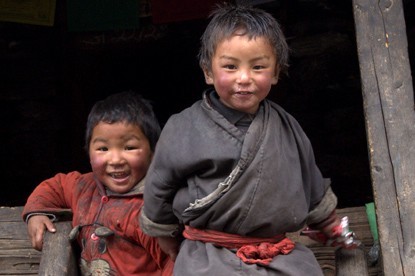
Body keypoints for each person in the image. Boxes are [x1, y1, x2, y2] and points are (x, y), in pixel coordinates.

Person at [139, 3, 360, 275]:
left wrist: (329, 223)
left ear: (276, 72)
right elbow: (159, 185)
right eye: (230, 67)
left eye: (258, 67)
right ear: (208, 71)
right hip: (209, 255)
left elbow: (310, 179)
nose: (244, 78)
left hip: (278, 254)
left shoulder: (287, 127)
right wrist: (163, 233)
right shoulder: (183, 128)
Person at [23, 91, 173, 275]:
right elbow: (56, 186)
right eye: (103, 148)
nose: (116, 159)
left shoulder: (152, 210)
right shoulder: (84, 187)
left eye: (129, 147)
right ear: (88, 151)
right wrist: (36, 214)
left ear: (154, 151)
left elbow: (172, 262)